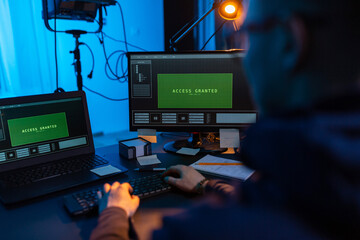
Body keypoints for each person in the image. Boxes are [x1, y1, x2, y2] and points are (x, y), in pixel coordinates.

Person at [91, 0, 360, 239]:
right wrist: (206, 185)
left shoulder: (200, 230)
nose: (243, 56)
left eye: (246, 35)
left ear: (289, 41)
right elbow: (286, 199)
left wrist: (113, 214)